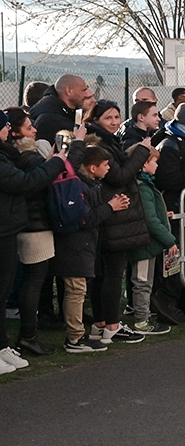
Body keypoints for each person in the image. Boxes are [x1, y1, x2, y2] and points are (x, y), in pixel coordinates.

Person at [0, 112, 66, 366]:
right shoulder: (17, 157)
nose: (35, 130)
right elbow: (27, 182)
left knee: (7, 290)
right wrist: (56, 162)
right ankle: (25, 336)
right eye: (29, 127)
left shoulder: (10, 155)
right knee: (29, 282)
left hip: (13, 226)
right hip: (22, 226)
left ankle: (5, 345)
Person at [83, 101, 152, 340]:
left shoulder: (110, 141)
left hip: (112, 212)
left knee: (105, 274)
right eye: (108, 118)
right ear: (96, 120)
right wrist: (142, 151)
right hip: (112, 213)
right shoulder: (99, 143)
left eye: (116, 117)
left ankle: (101, 323)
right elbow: (119, 175)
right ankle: (111, 325)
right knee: (112, 273)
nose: (114, 121)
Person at [55, 144, 128, 352]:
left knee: (79, 289)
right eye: (105, 165)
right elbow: (85, 218)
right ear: (93, 168)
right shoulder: (79, 186)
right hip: (75, 246)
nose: (108, 169)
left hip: (83, 245)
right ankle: (75, 338)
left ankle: (78, 334)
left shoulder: (90, 185)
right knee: (76, 290)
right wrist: (110, 207)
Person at [128, 146, 180, 333]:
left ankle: (143, 316)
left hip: (146, 242)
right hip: (144, 243)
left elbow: (150, 214)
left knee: (145, 281)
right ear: (144, 164)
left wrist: (163, 215)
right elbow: (149, 219)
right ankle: (141, 321)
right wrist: (170, 240)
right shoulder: (143, 188)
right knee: (142, 281)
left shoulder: (145, 185)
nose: (157, 165)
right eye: (154, 161)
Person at [31, 73, 95, 141]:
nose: (86, 94)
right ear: (69, 91)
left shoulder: (72, 112)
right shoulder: (49, 120)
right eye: (83, 90)